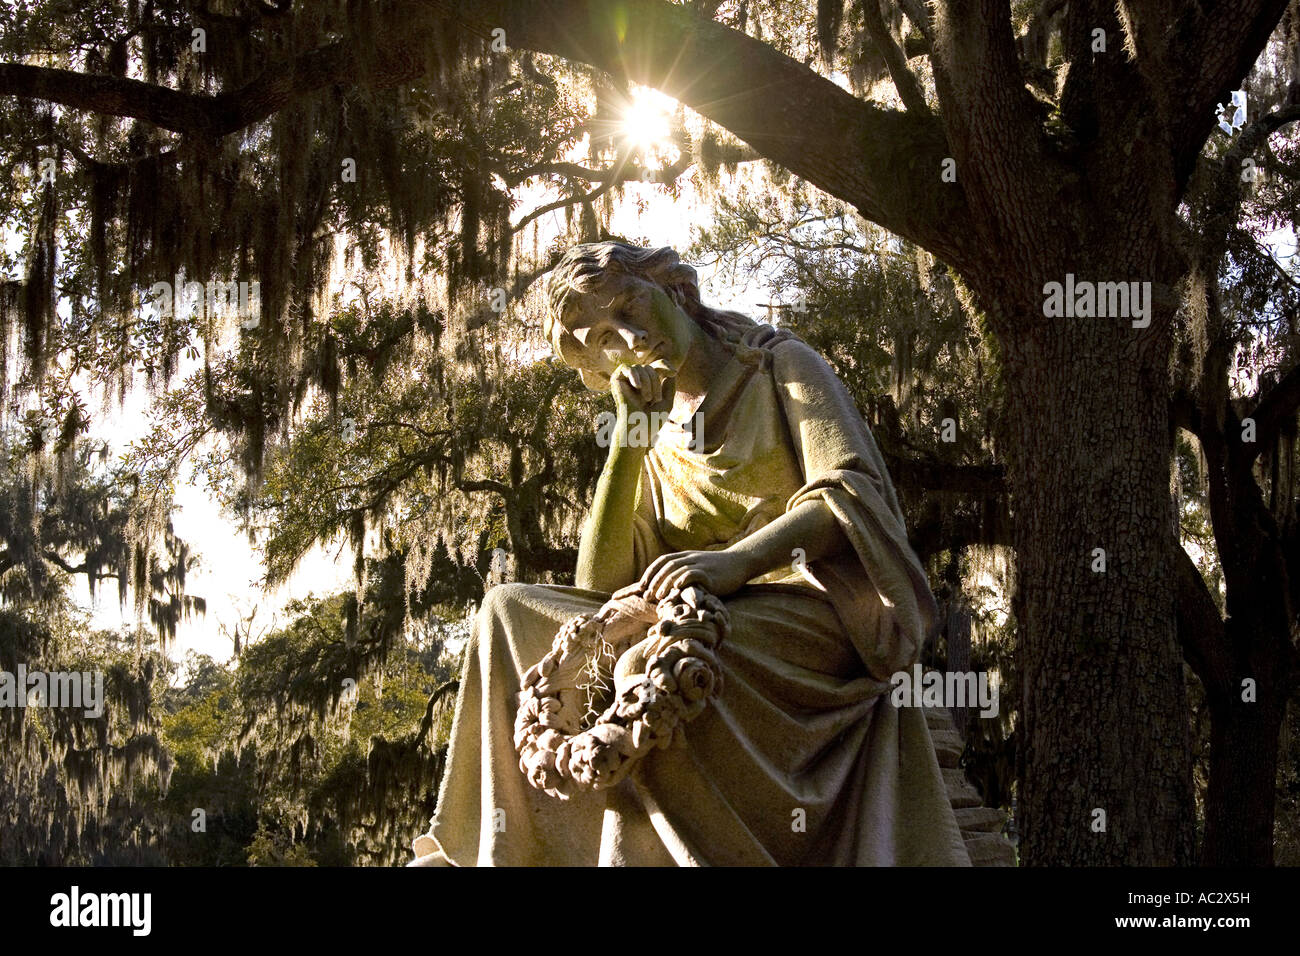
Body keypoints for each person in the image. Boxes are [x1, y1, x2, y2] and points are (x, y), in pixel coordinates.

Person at [409, 241, 970, 865]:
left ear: (672, 289)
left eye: (628, 304)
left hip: (809, 610)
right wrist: (627, 438)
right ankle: (494, 853)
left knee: (655, 662)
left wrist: (738, 563)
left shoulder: (778, 365)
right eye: (601, 338)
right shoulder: (650, 430)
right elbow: (599, 584)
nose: (625, 335)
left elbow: (849, 496)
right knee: (506, 610)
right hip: (690, 615)